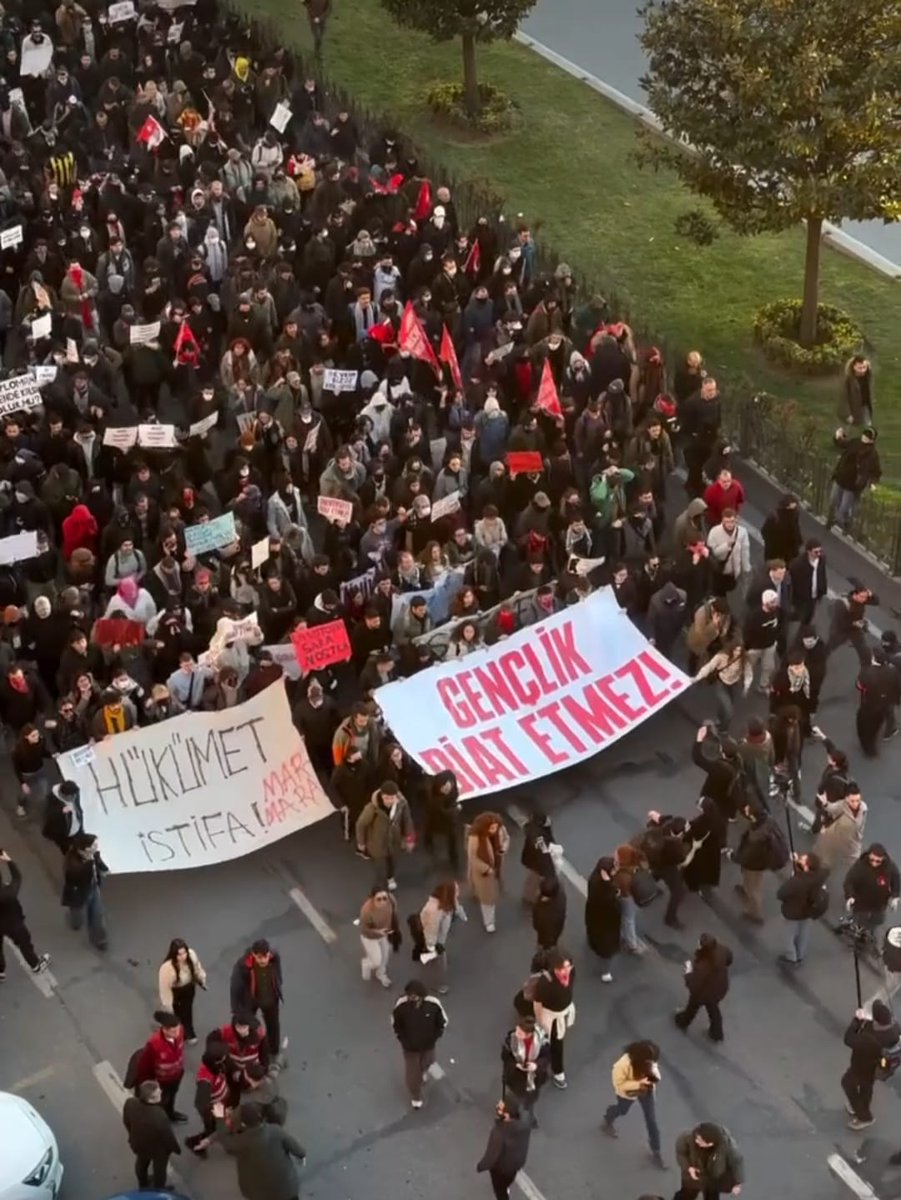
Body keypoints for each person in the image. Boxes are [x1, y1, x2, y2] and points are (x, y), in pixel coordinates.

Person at [215, 1099, 306, 1200]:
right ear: (262, 1118)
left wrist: (220, 1119)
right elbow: (296, 1148)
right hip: (287, 1189)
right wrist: (301, 1155)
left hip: (260, 1194)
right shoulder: (276, 1130)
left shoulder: (241, 1141)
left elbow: (225, 1140)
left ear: (243, 1124)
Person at [601, 1040, 666, 1169]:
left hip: (646, 1090)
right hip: (628, 1092)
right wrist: (639, 1084)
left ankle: (656, 1151)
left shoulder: (649, 1060)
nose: (652, 1063)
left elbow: (655, 1070)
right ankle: (608, 1117)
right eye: (649, 1061)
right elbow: (619, 1084)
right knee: (622, 1110)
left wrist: (653, 1079)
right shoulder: (622, 1065)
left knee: (651, 1120)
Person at [842, 1000, 900, 1130]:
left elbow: (848, 1038)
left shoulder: (869, 1038)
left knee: (847, 1083)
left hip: (861, 1067)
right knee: (866, 1086)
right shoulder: (894, 1028)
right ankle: (859, 1106)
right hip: (876, 1067)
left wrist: (857, 1020)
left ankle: (864, 1117)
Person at [391, 979, 448, 1109]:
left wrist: (435, 1036)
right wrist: (403, 1039)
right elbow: (396, 1024)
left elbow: (442, 1021)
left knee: (428, 1062)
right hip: (410, 1048)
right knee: (412, 1075)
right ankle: (416, 1096)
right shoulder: (401, 1006)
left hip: (428, 1045)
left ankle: (422, 1072)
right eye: (410, 995)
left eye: (415, 995)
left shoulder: (433, 1004)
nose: (412, 998)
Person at [732, 803, 788, 924]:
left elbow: (746, 855)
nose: (745, 811)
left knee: (754, 888)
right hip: (760, 862)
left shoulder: (756, 837)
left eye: (748, 811)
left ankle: (755, 913)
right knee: (751, 881)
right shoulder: (768, 821)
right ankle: (746, 889)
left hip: (754, 864)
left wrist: (733, 856)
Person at [0, 851, 52, 980]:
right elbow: (17, 877)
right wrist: (9, 861)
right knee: (24, 943)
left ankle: (0, 971)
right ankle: (35, 965)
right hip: (13, 923)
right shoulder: (7, 893)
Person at [122, 1080, 182, 1191]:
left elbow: (126, 1121)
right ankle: (158, 1189)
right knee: (159, 1170)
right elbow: (168, 1137)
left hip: (139, 1143)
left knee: (141, 1163)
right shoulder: (159, 1115)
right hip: (158, 1150)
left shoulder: (130, 1103)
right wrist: (176, 1149)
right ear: (150, 1099)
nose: (161, 1091)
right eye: (158, 1093)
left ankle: (143, 1183)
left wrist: (132, 1135)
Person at [355, 781, 415, 890]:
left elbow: (407, 820)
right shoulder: (372, 809)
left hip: (393, 840)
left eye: (392, 798)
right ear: (382, 796)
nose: (390, 801)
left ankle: (390, 878)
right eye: (387, 798)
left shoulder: (402, 804)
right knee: (379, 865)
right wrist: (361, 842)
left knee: (393, 861)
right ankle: (381, 883)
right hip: (377, 842)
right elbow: (360, 824)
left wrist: (409, 838)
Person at [230, 940, 284, 1061]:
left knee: (273, 1025)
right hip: (250, 999)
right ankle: (249, 1048)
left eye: (266, 956)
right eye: (260, 957)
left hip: (270, 997)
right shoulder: (243, 965)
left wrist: (278, 986)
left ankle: (273, 1050)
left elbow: (278, 974)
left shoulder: (275, 957)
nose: (264, 960)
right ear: (253, 955)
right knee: (248, 1024)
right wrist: (235, 1008)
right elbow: (235, 987)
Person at [673, 933, 733, 1043]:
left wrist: (688, 970)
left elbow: (693, 982)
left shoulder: (702, 965)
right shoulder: (722, 950)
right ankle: (716, 1033)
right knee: (713, 1008)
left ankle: (683, 1022)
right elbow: (729, 959)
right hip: (720, 987)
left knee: (693, 1007)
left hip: (703, 992)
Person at [530, 947, 575, 1089]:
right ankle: (557, 1072)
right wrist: (540, 1021)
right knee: (556, 1044)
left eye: (568, 966)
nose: (566, 970)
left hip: (563, 1012)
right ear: (554, 967)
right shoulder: (545, 982)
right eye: (562, 968)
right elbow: (537, 1003)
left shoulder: (571, 973)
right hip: (551, 1017)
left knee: (551, 1042)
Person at [133, 1012, 188, 1123]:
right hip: (162, 1081)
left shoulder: (180, 1031)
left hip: (176, 1075)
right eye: (173, 1031)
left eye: (178, 1029)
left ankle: (170, 1113)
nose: (177, 1033)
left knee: (172, 1096)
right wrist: (150, 1085)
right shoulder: (154, 1044)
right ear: (164, 1029)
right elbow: (144, 1067)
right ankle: (159, 1120)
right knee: (160, 1102)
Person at [777, 852, 830, 966]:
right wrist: (796, 862)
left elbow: (781, 894)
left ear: (806, 867)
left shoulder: (797, 881)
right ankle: (800, 955)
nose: (800, 859)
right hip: (809, 912)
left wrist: (793, 876)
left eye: (802, 860)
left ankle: (791, 957)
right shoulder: (820, 876)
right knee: (803, 933)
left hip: (794, 912)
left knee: (789, 936)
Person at [476, 1097, 532, 1200]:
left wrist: (480, 1166)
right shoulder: (525, 1122)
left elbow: (491, 1157)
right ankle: (506, 1187)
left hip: (500, 1170)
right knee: (508, 1180)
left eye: (499, 1109)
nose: (497, 1108)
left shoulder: (499, 1133)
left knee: (500, 1190)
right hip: (515, 1164)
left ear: (506, 1116)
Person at [61, 832, 109, 950]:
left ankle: (100, 939)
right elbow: (77, 877)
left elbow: (98, 862)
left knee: (97, 913)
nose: (96, 847)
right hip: (79, 892)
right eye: (93, 845)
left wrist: (104, 869)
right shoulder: (73, 865)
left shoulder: (93, 855)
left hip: (92, 888)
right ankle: (75, 922)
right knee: (77, 910)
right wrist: (90, 863)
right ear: (84, 850)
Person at [840, 843, 900, 937]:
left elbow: (896, 879)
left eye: (878, 861)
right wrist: (850, 896)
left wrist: (895, 896)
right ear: (868, 855)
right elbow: (849, 881)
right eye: (872, 860)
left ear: (883, 858)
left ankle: (867, 932)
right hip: (861, 900)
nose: (874, 863)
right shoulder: (860, 866)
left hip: (880, 903)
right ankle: (854, 927)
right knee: (860, 920)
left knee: (878, 920)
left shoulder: (890, 867)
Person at [418, 879, 466, 994]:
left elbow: (457, 907)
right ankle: (438, 984)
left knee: (436, 957)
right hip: (435, 939)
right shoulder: (434, 911)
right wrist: (433, 945)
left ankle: (428, 956)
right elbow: (431, 929)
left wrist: (463, 916)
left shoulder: (448, 900)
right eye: (456, 890)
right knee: (441, 963)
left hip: (440, 935)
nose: (458, 893)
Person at [674, 1122, 744, 1200]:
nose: (697, 1141)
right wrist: (688, 1168)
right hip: (693, 1176)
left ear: (711, 1143)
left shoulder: (727, 1147)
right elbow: (681, 1153)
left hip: (712, 1179)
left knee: (711, 1196)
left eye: (701, 1141)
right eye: (697, 1137)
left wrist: (737, 1183)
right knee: (686, 1195)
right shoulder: (687, 1138)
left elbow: (736, 1162)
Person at [501, 1015, 550, 1126]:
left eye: (520, 1033)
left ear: (529, 1035)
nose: (516, 1035)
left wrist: (536, 1065)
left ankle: (529, 1116)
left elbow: (547, 1057)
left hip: (534, 1078)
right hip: (516, 1076)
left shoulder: (542, 1042)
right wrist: (515, 1065)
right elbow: (505, 1056)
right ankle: (514, 1113)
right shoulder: (511, 1040)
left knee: (530, 1100)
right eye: (517, 1030)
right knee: (514, 1097)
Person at [185, 1040, 231, 1156]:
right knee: (213, 1129)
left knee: (219, 1127)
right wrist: (211, 1115)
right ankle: (195, 1143)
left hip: (222, 1102)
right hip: (215, 1109)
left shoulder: (217, 1067)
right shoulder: (205, 1080)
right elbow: (201, 1104)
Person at [466, 812, 510, 933]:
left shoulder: (500, 829)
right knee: (487, 899)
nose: (494, 830)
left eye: (496, 827)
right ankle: (489, 922)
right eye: (491, 828)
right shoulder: (475, 837)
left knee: (491, 886)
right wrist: (486, 868)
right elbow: (473, 857)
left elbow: (506, 839)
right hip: (483, 871)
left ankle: (475, 892)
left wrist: (503, 849)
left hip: (497, 864)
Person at [158, 939, 207, 1043]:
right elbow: (165, 989)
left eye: (184, 953)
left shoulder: (192, 955)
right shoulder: (167, 969)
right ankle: (172, 1033)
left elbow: (197, 968)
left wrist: (201, 979)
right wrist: (168, 1005)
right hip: (175, 992)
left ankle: (188, 1033)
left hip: (188, 988)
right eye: (179, 954)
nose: (183, 957)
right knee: (174, 1014)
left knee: (187, 1011)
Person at [585, 857, 621, 982]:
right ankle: (605, 972)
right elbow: (609, 900)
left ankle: (593, 944)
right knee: (607, 948)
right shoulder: (602, 886)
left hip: (594, 916)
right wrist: (612, 888)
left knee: (594, 935)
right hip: (606, 921)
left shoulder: (593, 879)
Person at [359, 884, 400, 988]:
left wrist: (392, 929)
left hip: (384, 934)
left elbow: (394, 912)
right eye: (379, 899)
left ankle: (381, 974)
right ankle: (366, 963)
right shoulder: (366, 911)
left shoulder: (391, 900)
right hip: (370, 937)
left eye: (384, 898)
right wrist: (378, 932)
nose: (382, 901)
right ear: (372, 899)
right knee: (376, 961)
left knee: (385, 957)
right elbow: (365, 929)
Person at [520, 808, 559, 904]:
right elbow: (543, 853)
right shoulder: (538, 837)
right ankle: (529, 897)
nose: (549, 820)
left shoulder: (533, 829)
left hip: (532, 859)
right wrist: (550, 871)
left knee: (532, 878)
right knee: (534, 878)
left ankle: (528, 895)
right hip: (536, 862)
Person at [42, 780, 84, 854]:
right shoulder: (52, 801)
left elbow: (78, 807)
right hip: (64, 835)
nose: (74, 798)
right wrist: (61, 812)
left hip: (77, 828)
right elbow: (49, 819)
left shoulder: (74, 794)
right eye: (72, 797)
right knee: (66, 849)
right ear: (64, 796)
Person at [532, 874, 567, 950]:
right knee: (551, 942)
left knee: (544, 944)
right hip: (555, 931)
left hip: (546, 934)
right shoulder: (560, 894)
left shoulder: (545, 913)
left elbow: (537, 924)